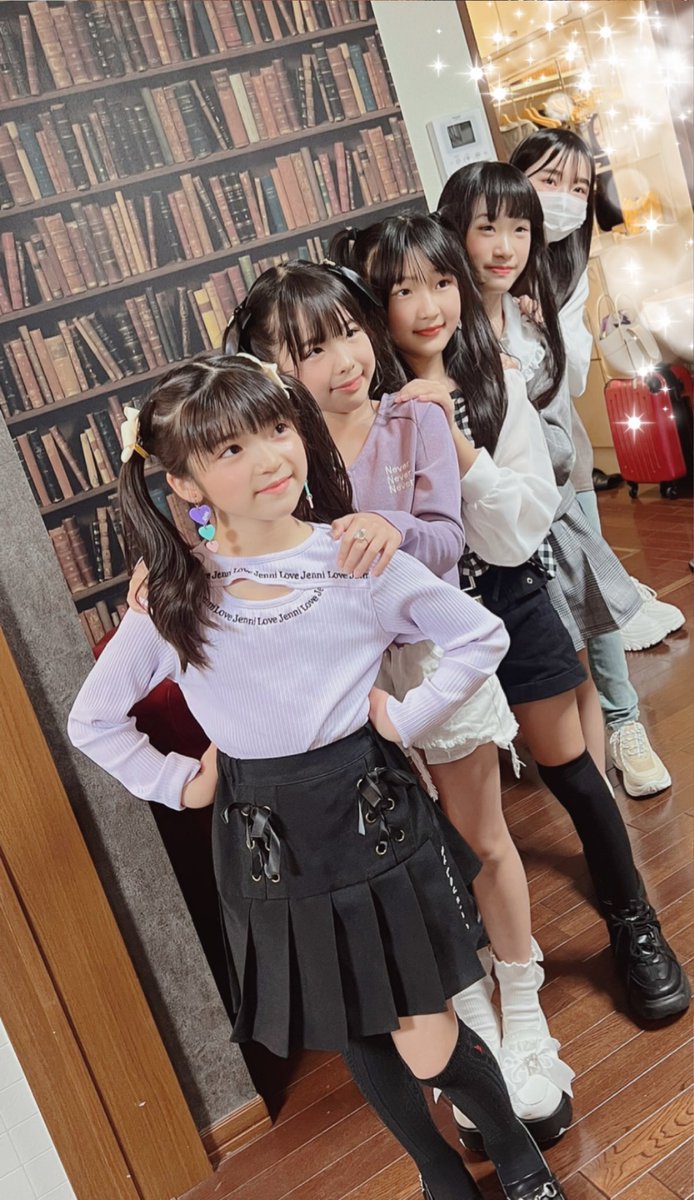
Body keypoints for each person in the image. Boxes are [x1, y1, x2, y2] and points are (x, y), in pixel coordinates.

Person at [68, 352, 566, 1200]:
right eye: (230, 449)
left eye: (276, 429)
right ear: (182, 480)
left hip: (370, 809)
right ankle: (438, 1170)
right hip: (268, 839)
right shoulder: (174, 596)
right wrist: (180, 782)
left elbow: (479, 635)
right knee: (354, 1026)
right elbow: (93, 720)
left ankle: (517, 1152)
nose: (270, 458)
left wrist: (405, 717)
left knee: (424, 1028)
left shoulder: (355, 557)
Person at [222, 259, 573, 1148]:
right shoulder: (277, 451)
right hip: (338, 688)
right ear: (270, 366)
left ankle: (525, 1008)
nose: (344, 359)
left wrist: (392, 528)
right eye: (311, 349)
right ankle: (468, 1021)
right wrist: (169, 564)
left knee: (482, 839)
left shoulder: (414, 415)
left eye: (349, 332)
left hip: (429, 663)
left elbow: (449, 541)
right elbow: (217, 529)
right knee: (411, 867)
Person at [335, 210, 690, 1047]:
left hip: (504, 591)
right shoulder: (362, 405)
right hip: (420, 625)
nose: (428, 306)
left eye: (441, 281)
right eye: (403, 290)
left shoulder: (495, 382)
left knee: (572, 771)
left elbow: (517, 531)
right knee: (461, 812)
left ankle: (633, 920)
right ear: (373, 305)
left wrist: (456, 444)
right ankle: (489, 958)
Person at [509, 128, 683, 797]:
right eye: (549, 180)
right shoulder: (480, 262)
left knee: (592, 591)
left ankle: (624, 723)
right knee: (531, 605)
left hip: (563, 461)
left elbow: (574, 376)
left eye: (579, 189)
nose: (564, 198)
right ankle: (556, 738)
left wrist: (543, 321)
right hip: (496, 472)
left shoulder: (569, 270)